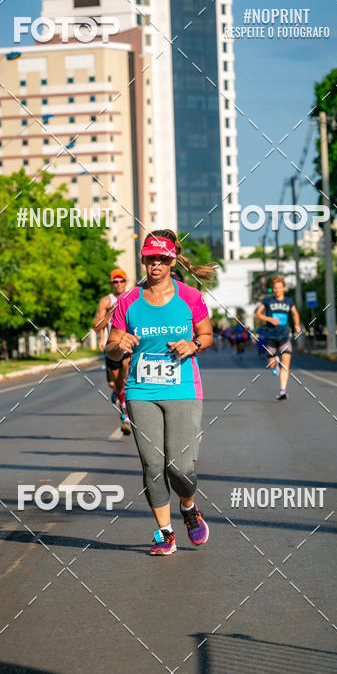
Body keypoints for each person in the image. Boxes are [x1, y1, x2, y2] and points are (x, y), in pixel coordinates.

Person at [105, 229, 215, 556]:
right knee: (153, 464)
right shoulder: (128, 301)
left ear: (172, 261)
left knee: (180, 468)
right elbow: (110, 347)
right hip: (140, 390)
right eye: (150, 259)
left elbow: (207, 335)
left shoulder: (191, 298)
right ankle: (165, 533)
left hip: (182, 387)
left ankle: (189, 506)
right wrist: (117, 346)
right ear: (143, 260)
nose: (155, 265)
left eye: (161, 259)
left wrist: (193, 344)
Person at [93, 269, 131, 435]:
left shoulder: (133, 297)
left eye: (121, 281)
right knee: (117, 384)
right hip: (113, 347)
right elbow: (96, 326)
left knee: (127, 377)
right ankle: (119, 396)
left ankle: (126, 415)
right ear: (111, 284)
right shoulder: (106, 301)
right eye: (115, 282)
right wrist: (111, 312)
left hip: (129, 344)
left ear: (126, 282)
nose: (118, 284)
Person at [254, 276, 301, 400]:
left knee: (286, 362)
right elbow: (257, 314)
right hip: (270, 336)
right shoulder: (267, 300)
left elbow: (295, 313)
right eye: (275, 288)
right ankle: (275, 366)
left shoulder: (289, 301)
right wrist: (269, 319)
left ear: (284, 288)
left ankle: (283, 390)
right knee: (271, 365)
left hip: (284, 336)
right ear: (272, 289)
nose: (277, 290)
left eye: (279, 287)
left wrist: (296, 325)